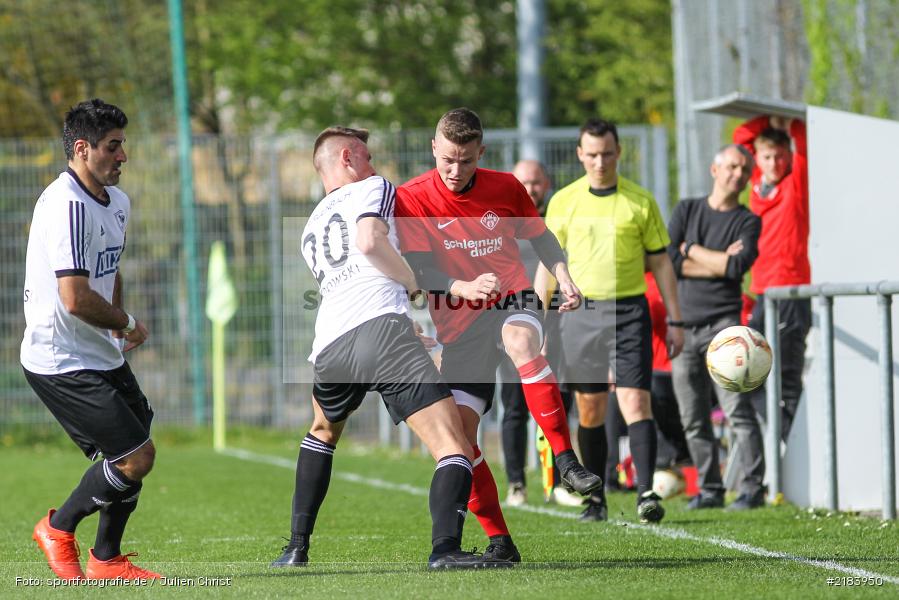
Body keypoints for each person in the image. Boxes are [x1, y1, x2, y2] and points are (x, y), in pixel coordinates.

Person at [271, 127, 485, 570]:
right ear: (347, 158)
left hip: (330, 345)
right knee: (454, 445)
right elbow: (370, 242)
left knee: (321, 433)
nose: (374, 164)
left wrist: (403, 325)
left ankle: (295, 548)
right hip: (381, 333)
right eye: (367, 156)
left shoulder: (310, 225)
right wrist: (412, 288)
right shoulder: (373, 188)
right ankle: (445, 551)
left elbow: (349, 286)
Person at [396, 108, 601, 565]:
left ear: (480, 153)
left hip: (512, 297)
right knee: (461, 441)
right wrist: (461, 288)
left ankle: (566, 461)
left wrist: (564, 276)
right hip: (458, 322)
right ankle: (501, 542)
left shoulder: (506, 187)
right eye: (447, 159)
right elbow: (418, 269)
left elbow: (543, 239)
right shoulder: (412, 198)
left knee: (521, 342)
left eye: (465, 161)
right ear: (434, 148)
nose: (454, 170)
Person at [23, 99, 160, 580]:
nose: (123, 156)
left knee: (137, 435)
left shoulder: (116, 201)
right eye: (113, 146)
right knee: (136, 456)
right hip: (58, 357)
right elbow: (76, 298)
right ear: (82, 149)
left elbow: (108, 270)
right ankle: (58, 527)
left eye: (123, 145)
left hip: (96, 350)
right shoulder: (67, 205)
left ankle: (107, 560)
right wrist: (126, 324)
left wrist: (114, 332)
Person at [536, 118, 684, 524]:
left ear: (618, 153)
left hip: (629, 311)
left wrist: (676, 319)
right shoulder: (564, 202)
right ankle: (596, 499)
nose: (600, 161)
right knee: (590, 408)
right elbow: (549, 265)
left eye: (607, 153)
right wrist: (542, 321)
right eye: (592, 154)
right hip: (579, 315)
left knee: (635, 400)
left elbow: (661, 263)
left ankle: (646, 494)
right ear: (581, 155)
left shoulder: (640, 201)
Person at [667, 143, 765, 511]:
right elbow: (669, 261)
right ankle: (710, 489)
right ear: (715, 169)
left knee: (737, 411)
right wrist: (717, 259)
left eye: (744, 170)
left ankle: (753, 489)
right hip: (683, 327)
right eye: (732, 167)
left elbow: (737, 269)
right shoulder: (687, 209)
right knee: (693, 418)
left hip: (725, 329)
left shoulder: (748, 221)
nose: (737, 174)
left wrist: (690, 249)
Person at [500, 160, 580, 508]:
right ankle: (517, 482)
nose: (530, 189)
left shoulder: (556, 220)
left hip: (556, 321)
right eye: (524, 183)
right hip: (513, 324)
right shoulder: (501, 221)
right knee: (514, 405)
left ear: (546, 183)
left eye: (536, 182)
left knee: (559, 398)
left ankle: (560, 478)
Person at [733, 115, 810, 440]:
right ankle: (783, 434)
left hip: (792, 292)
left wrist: (789, 124)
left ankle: (792, 442)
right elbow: (741, 135)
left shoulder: (795, 185)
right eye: (767, 157)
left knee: (789, 374)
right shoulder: (754, 187)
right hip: (763, 293)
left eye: (781, 156)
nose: (775, 162)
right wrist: (770, 120)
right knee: (746, 371)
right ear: (757, 160)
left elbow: (803, 141)